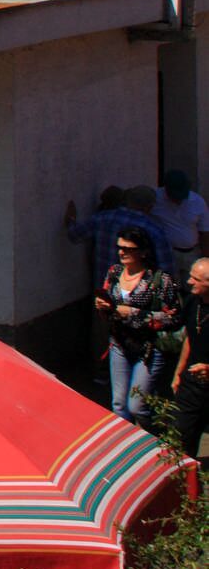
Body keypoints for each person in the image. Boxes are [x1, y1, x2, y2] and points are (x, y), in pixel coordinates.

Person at [97, 228, 179, 423]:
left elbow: (173, 317)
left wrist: (135, 313)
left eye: (128, 249)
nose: (122, 252)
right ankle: (126, 447)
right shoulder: (114, 272)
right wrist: (103, 306)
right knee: (119, 404)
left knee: (137, 406)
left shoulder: (159, 279)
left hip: (148, 348)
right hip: (119, 344)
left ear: (143, 252)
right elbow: (107, 307)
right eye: (120, 247)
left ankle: (152, 439)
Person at [64, 186, 166, 286]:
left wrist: (71, 220)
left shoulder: (103, 218)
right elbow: (166, 266)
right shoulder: (154, 230)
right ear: (150, 207)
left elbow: (75, 235)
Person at [170, 257, 209, 464]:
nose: (189, 282)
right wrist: (179, 372)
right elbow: (190, 338)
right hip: (192, 382)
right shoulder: (194, 301)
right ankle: (186, 481)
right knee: (182, 435)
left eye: (196, 279)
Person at [153, 171, 209, 281]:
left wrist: (206, 258)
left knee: (193, 288)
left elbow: (205, 231)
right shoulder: (155, 198)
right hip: (167, 252)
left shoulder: (197, 202)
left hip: (191, 253)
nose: (177, 200)